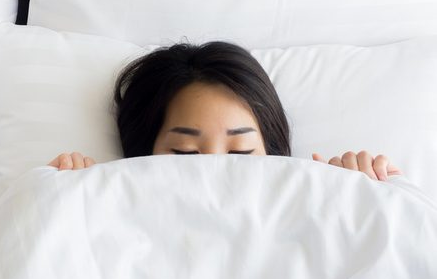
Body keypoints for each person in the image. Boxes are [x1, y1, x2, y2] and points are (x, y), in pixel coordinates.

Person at [48, 41, 401, 181]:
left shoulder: (318, 209)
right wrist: (61, 201)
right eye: (185, 153)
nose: (217, 170)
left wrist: (366, 196)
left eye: (241, 152)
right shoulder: (110, 217)